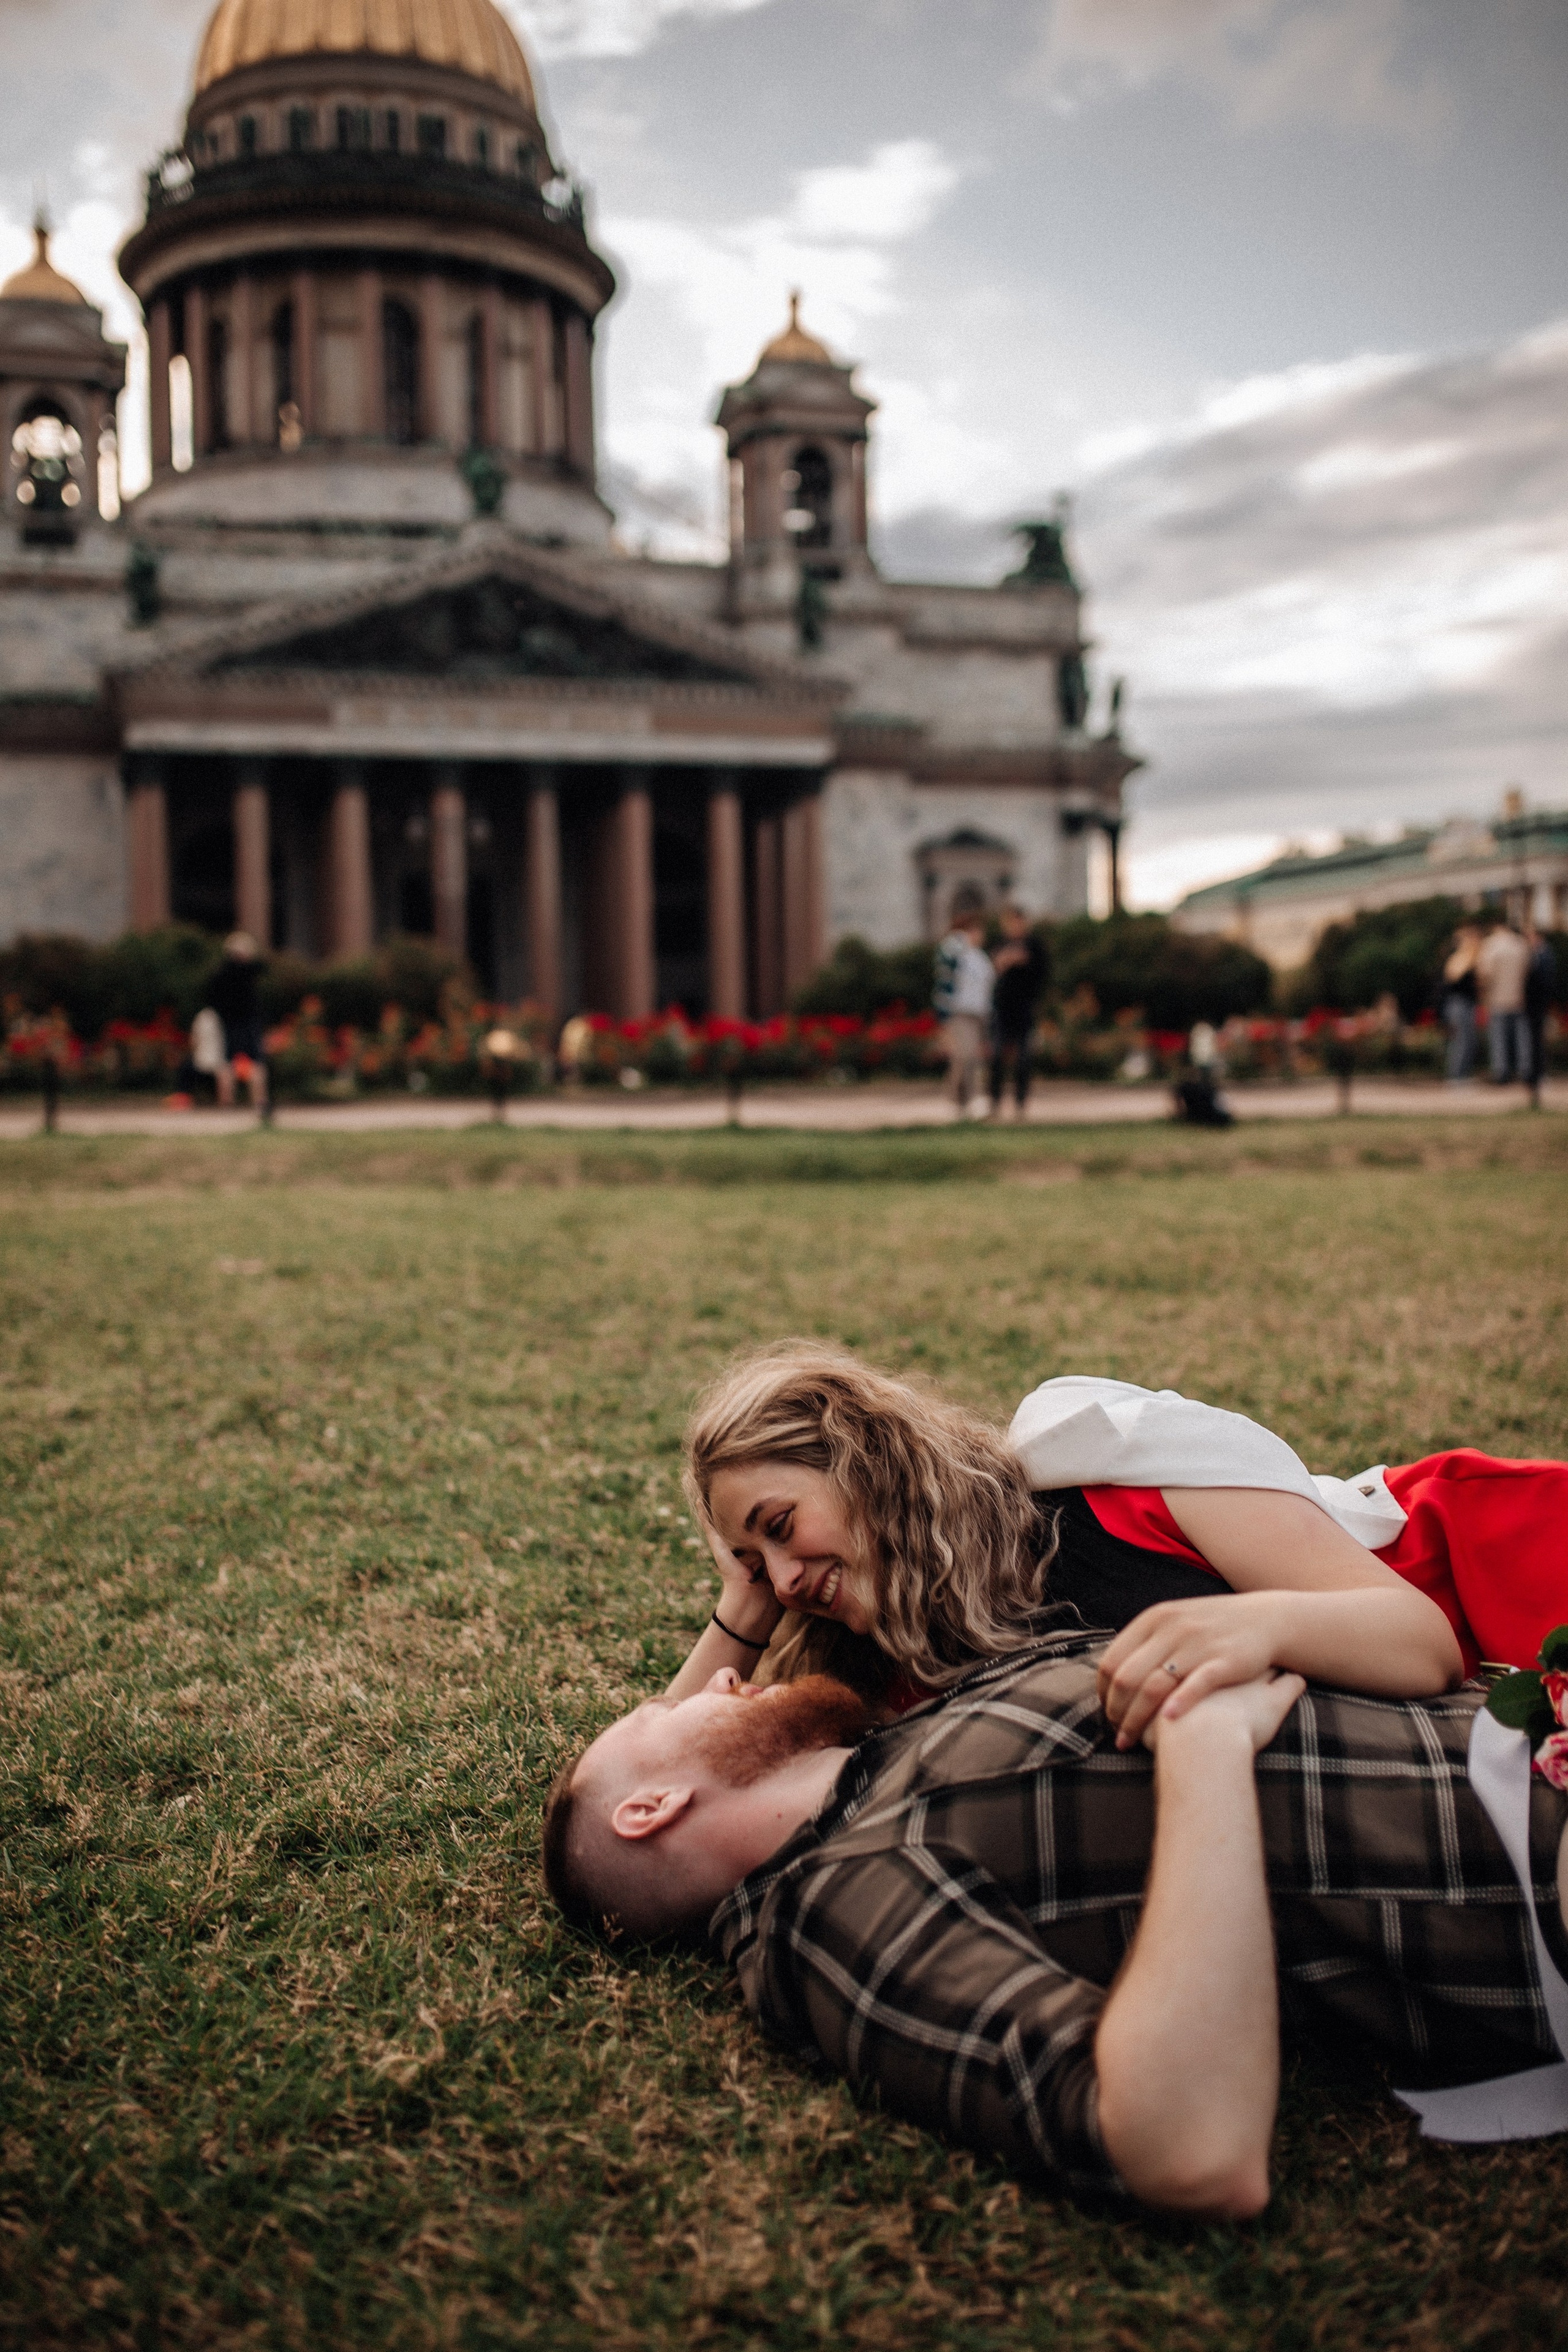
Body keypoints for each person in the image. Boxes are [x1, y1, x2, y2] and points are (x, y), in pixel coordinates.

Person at [541, 1639, 1568, 2213]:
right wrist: (1203, 1752)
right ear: (649, 1811)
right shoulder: (825, 1913)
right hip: (1529, 1867)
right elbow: (1185, 2150)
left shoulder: (897, 1739)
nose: (717, 1677)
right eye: (657, 1716)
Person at [660, 1349, 1564, 1739]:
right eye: (755, 1563)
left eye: (780, 1529)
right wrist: (744, 1607)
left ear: (863, 1461)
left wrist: (1255, 1630)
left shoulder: (1112, 1481)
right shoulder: (895, 1668)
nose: (784, 1577)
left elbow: (1422, 1643)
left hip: (1492, 1578)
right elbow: (657, 1774)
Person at [932, 902, 994, 1117]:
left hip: (978, 1014)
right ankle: (968, 1099)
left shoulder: (979, 957)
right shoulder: (955, 948)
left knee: (968, 1058)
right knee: (965, 1055)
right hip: (959, 1012)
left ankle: (958, 1102)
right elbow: (945, 976)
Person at [988, 905, 1045, 1120]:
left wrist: (1024, 961)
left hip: (1024, 1008)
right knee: (997, 1056)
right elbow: (989, 971)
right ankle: (995, 1103)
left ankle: (1020, 1104)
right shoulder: (999, 944)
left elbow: (1042, 975)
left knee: (1024, 1058)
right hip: (1002, 1009)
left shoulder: (1034, 945)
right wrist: (1004, 962)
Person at [208, 932, 271, 1120]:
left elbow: (213, 1000)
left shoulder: (220, 973)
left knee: (230, 1063)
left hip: (233, 1023)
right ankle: (258, 1103)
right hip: (245, 1023)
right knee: (253, 1063)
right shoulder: (249, 972)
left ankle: (228, 1105)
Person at [1477, 916, 1531, 1085]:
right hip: (1518, 997)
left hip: (1497, 998)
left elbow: (1485, 973)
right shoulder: (1520, 944)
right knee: (1521, 1038)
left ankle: (1502, 1072)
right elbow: (1528, 971)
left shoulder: (1492, 945)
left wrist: (1483, 994)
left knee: (1499, 1039)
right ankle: (1525, 1071)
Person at [1441, 923, 1482, 1082]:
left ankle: (1461, 1074)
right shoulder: (1460, 959)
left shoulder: (1468, 958)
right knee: (1461, 1041)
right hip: (1459, 1004)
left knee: (1467, 1041)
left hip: (1464, 1004)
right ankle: (1456, 1076)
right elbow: (1453, 982)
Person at [1523, 917, 1556, 1107]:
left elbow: (1545, 982)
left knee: (1538, 1042)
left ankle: (1539, 1075)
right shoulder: (1535, 954)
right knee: (1534, 1042)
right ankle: (1534, 1076)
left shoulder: (1545, 955)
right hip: (1533, 1006)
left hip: (1538, 1005)